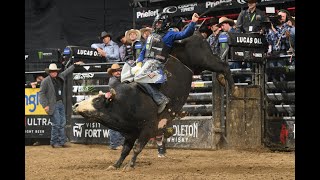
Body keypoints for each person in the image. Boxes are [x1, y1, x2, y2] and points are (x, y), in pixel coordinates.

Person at [121, 12, 199, 114]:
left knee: (138, 77)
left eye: (159, 23)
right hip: (145, 62)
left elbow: (184, 34)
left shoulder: (170, 34)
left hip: (156, 63)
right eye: (156, 23)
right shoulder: (152, 35)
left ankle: (160, 99)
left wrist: (193, 22)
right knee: (125, 75)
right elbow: (144, 51)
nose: (156, 24)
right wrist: (139, 63)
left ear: (165, 24)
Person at [39, 62, 82, 148]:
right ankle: (54, 142)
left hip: (60, 103)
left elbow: (67, 71)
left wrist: (74, 65)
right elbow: (41, 94)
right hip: (52, 105)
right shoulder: (45, 81)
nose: (54, 72)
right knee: (57, 123)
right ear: (49, 72)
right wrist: (45, 105)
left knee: (62, 122)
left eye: (55, 71)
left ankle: (61, 141)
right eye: (52, 71)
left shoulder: (59, 77)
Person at [105, 63, 125, 150]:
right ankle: (114, 144)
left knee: (118, 124)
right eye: (115, 71)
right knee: (115, 125)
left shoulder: (115, 80)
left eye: (119, 70)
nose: (118, 72)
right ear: (112, 73)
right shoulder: (113, 81)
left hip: (117, 104)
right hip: (115, 104)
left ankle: (117, 143)